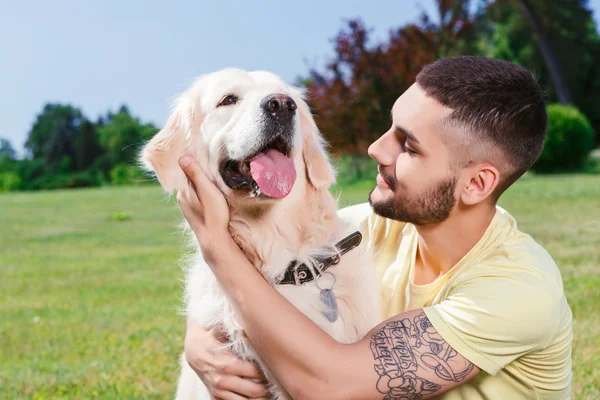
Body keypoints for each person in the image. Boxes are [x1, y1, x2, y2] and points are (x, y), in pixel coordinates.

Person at [175, 56, 573, 400]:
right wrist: (200, 340)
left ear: (476, 184)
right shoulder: (365, 230)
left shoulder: (518, 289)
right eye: (390, 128)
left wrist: (216, 245)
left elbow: (328, 387)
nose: (376, 149)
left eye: (409, 146)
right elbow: (260, 262)